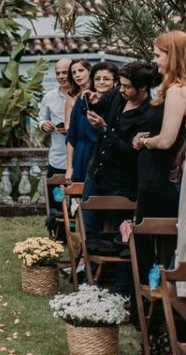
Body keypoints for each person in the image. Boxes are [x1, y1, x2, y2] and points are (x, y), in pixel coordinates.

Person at [81, 61, 154, 296]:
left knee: (124, 240)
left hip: (122, 182)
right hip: (97, 174)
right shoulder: (116, 96)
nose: (120, 89)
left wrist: (104, 129)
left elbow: (129, 152)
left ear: (143, 88)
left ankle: (121, 292)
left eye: (126, 86)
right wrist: (92, 100)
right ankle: (88, 284)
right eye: (120, 85)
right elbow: (100, 107)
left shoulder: (148, 115)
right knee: (88, 230)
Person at [133, 31, 186, 222]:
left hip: (163, 174)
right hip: (156, 173)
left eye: (157, 55)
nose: (154, 61)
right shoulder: (171, 88)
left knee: (155, 237)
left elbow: (166, 140)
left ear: (173, 56)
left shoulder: (176, 90)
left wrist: (144, 141)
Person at [65, 60, 114, 183]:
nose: (101, 82)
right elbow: (71, 136)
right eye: (98, 79)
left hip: (103, 159)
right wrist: (69, 167)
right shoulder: (81, 101)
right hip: (80, 157)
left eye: (106, 79)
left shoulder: (115, 104)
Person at [38, 58, 71, 180]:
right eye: (58, 73)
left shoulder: (83, 96)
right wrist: (44, 125)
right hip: (56, 159)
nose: (61, 76)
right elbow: (41, 118)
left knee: (78, 198)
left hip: (80, 160)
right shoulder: (49, 96)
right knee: (56, 198)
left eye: (65, 72)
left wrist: (72, 130)